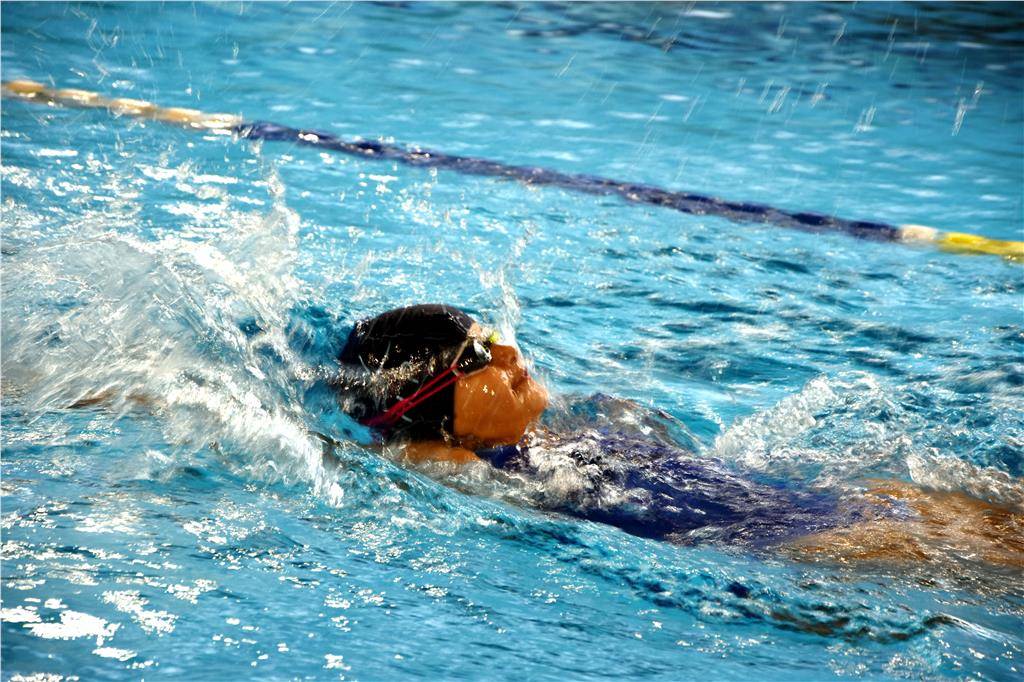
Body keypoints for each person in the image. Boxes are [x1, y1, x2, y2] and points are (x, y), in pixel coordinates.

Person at [336, 304, 1024, 567]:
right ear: (431, 405)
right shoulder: (439, 461)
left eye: (495, 337)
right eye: (479, 358)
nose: (512, 356)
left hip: (785, 498)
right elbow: (393, 451)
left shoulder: (541, 431)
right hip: (788, 544)